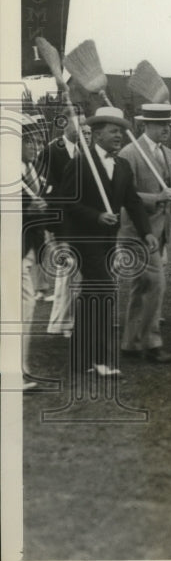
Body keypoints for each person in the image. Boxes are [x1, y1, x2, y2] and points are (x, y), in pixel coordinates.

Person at [55, 106, 157, 377]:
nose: (119, 136)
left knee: (92, 296)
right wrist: (97, 215)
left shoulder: (122, 166)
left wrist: (147, 232)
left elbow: (133, 203)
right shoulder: (79, 163)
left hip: (108, 242)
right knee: (104, 293)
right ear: (97, 134)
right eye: (114, 131)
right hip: (84, 239)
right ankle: (100, 359)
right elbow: (66, 202)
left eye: (121, 132)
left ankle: (81, 359)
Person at [118, 103, 171, 363]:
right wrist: (156, 197)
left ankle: (130, 344)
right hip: (135, 232)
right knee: (157, 285)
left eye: (169, 124)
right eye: (161, 124)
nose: (167, 129)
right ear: (145, 125)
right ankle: (152, 343)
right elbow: (122, 195)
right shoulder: (129, 153)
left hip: (159, 234)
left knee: (141, 288)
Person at [37, 107, 91, 336]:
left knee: (76, 273)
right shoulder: (52, 151)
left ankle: (67, 321)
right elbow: (44, 187)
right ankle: (59, 323)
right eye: (77, 124)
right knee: (66, 270)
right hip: (58, 221)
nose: (81, 130)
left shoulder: (84, 151)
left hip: (79, 222)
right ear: (65, 124)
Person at [19, 111, 48, 389]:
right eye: (30, 142)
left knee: (25, 309)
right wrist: (28, 211)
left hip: (27, 251)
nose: (36, 147)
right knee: (22, 308)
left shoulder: (29, 170)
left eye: (38, 142)